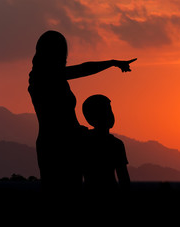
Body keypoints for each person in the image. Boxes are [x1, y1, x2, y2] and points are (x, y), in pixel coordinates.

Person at [28, 30, 136, 194]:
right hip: (55, 145)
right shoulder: (42, 77)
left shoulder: (57, 78)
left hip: (72, 142)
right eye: (61, 51)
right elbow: (82, 69)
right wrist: (112, 63)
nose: (64, 56)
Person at [82, 94, 130, 194]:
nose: (111, 115)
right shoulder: (116, 144)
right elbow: (124, 179)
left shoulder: (84, 140)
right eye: (107, 110)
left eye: (110, 110)